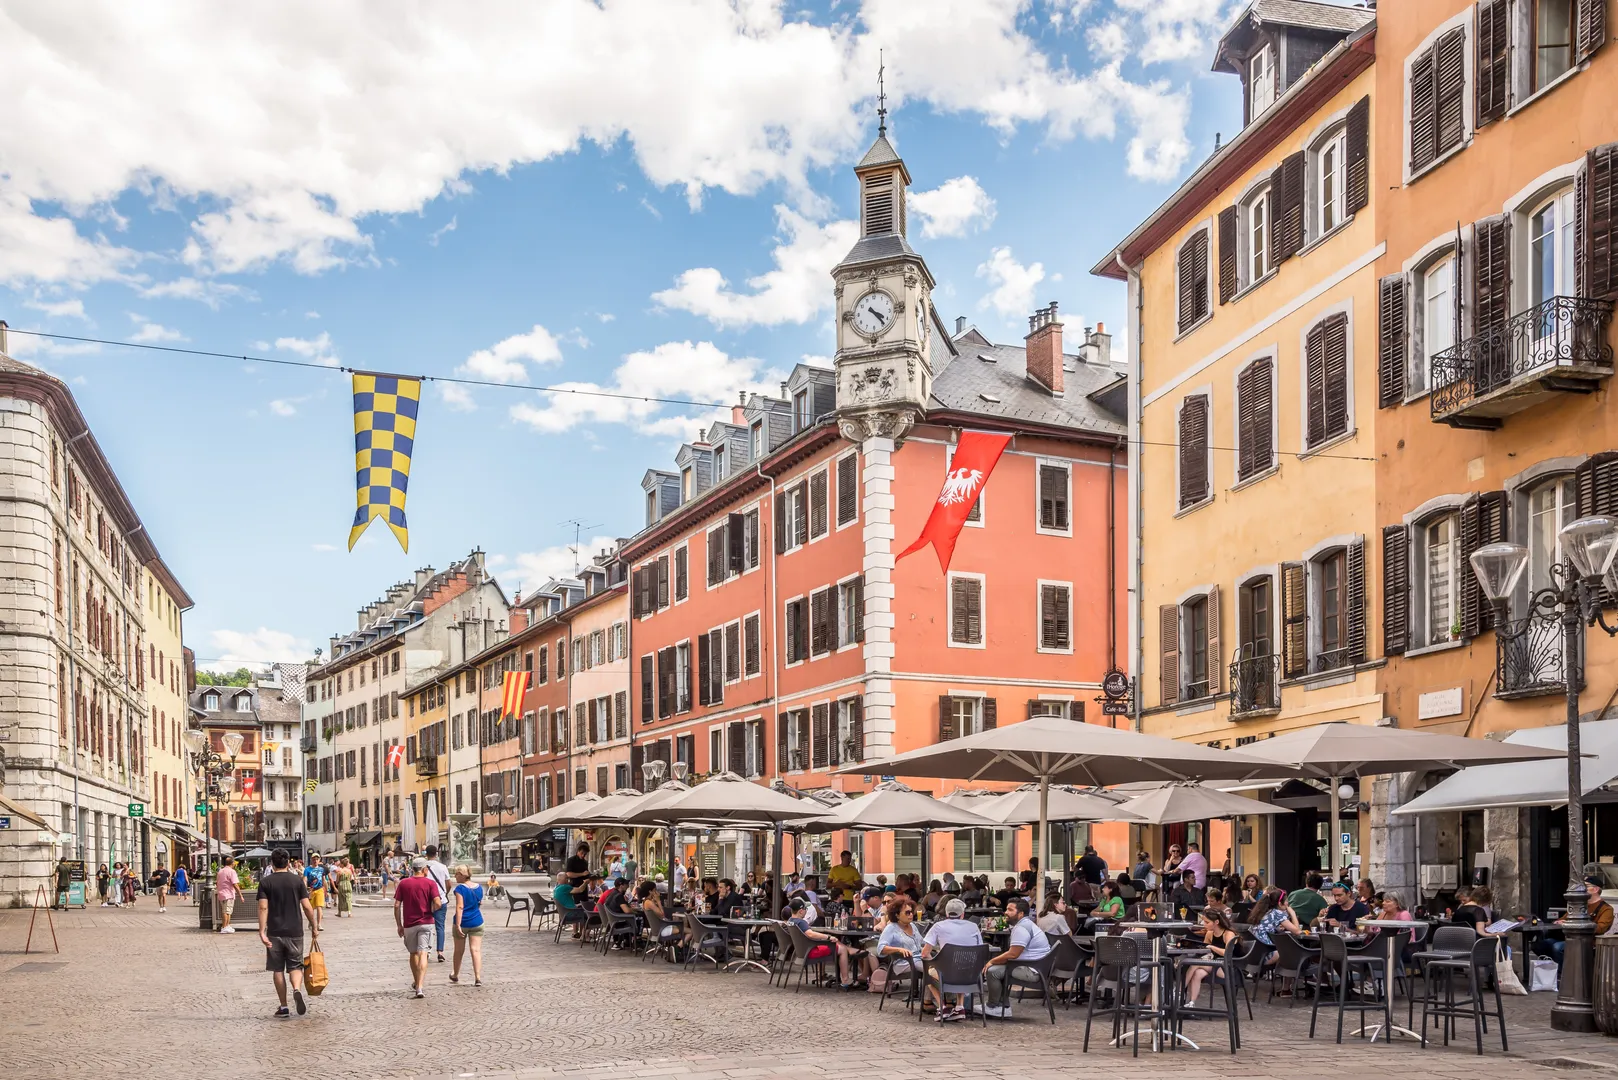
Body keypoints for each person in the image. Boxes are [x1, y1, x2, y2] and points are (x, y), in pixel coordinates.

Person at [257, 848, 318, 1018]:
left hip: (274, 931)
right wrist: (314, 926)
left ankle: (283, 1007)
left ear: (272, 863)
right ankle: (297, 989)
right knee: (295, 966)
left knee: (277, 969)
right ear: (289, 862)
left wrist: (261, 931)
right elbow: (307, 906)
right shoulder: (297, 881)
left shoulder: (266, 882)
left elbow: (263, 907)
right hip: (295, 930)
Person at [983, 896, 1050, 1019]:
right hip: (1037, 967)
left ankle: (993, 1006)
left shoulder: (1021, 928)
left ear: (1020, 914)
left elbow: (1013, 954)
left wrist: (991, 961)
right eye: (1006, 909)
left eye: (1010, 910)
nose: (1006, 913)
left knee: (992, 971)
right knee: (999, 968)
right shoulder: (1027, 924)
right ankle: (1003, 1006)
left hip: (1032, 970)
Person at [922, 897, 986, 1022]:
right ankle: (960, 1006)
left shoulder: (938, 926)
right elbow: (980, 950)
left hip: (946, 975)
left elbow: (925, 954)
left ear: (946, 913)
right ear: (962, 914)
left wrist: (934, 963)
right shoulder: (973, 927)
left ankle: (942, 1007)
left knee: (928, 971)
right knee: (962, 964)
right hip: (971, 976)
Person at [786, 897, 871, 990]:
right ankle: (846, 980)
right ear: (801, 911)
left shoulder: (790, 921)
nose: (807, 911)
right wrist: (828, 937)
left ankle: (850, 950)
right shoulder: (801, 922)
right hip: (810, 951)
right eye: (806, 909)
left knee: (834, 941)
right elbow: (810, 934)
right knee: (841, 949)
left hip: (802, 951)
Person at [1536, 876, 1615, 966]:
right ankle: (1555, 969)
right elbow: (1563, 918)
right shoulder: (1578, 905)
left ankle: (1564, 975)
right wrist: (1559, 922)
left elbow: (1601, 928)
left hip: (1588, 942)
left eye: (1586, 886)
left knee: (1557, 947)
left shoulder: (1606, 909)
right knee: (1542, 945)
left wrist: (1578, 925)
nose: (1582, 889)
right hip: (1569, 938)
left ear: (1596, 889)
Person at [395, 857, 444, 998]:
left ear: (412, 869)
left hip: (410, 924)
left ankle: (416, 982)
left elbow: (397, 905)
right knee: (423, 953)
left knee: (413, 953)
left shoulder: (404, 883)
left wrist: (399, 925)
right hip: (426, 922)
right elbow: (438, 903)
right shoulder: (430, 884)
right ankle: (420, 987)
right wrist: (431, 910)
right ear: (424, 870)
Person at [1181, 908, 1238, 1005]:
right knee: (1198, 973)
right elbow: (1205, 951)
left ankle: (1178, 991)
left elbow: (1227, 953)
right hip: (1214, 965)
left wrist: (1212, 947)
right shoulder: (1210, 933)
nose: (1204, 924)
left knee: (1194, 964)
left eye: (1207, 922)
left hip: (1228, 967)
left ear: (1216, 922)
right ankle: (1191, 1003)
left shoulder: (1228, 934)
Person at [877, 896, 926, 990]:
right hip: (903, 962)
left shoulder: (912, 925)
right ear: (897, 915)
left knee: (936, 966)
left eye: (911, 912)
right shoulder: (891, 928)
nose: (911, 915)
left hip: (918, 959)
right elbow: (880, 948)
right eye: (907, 913)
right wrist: (899, 949)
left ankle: (929, 999)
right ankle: (941, 998)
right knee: (931, 970)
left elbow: (922, 942)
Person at [448, 865, 485, 986]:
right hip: (477, 921)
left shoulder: (460, 889)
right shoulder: (479, 887)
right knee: (476, 950)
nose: (455, 876)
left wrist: (458, 924)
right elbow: (479, 903)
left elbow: (460, 907)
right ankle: (478, 977)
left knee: (459, 950)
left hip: (463, 922)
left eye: (456, 874)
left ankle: (455, 974)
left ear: (462, 875)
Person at [424, 844, 451, 963]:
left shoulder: (423, 867)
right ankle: (440, 952)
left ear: (426, 854)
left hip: (426, 900)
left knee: (426, 926)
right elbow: (448, 884)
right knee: (440, 927)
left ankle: (426, 951)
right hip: (441, 899)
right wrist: (445, 893)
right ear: (437, 853)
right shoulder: (443, 867)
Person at [216, 855, 241, 932]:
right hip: (229, 894)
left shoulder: (220, 871)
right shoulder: (232, 871)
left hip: (221, 893)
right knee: (226, 911)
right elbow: (235, 884)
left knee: (227, 911)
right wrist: (240, 894)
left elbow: (217, 882)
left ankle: (227, 926)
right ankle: (224, 927)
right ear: (232, 863)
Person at [302, 855, 328, 931]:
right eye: (314, 859)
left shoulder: (321, 869)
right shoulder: (307, 869)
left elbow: (324, 880)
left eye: (317, 859)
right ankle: (311, 922)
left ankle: (319, 924)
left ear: (319, 860)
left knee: (319, 906)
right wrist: (305, 889)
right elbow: (305, 879)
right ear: (311, 860)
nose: (315, 861)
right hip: (311, 890)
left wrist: (326, 889)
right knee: (311, 908)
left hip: (319, 889)